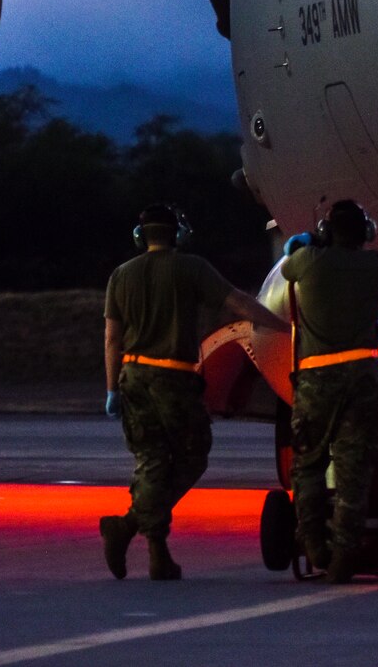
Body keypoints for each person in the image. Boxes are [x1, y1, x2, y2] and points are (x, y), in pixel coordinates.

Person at [100, 204, 288, 581]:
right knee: (190, 458)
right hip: (174, 378)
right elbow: (237, 302)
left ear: (141, 237)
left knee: (152, 460)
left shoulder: (120, 275)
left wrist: (111, 389)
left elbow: (111, 338)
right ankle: (136, 535)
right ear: (177, 234)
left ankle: (145, 542)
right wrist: (282, 326)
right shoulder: (192, 268)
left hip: (133, 376)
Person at [282, 199, 378, 583]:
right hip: (362, 374)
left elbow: (288, 265)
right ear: (366, 233)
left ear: (328, 232)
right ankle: (345, 552)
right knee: (354, 469)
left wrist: (311, 240)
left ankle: (313, 544)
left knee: (309, 463)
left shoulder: (309, 262)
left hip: (316, 376)